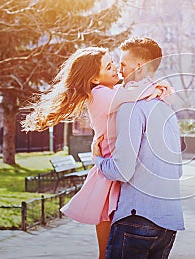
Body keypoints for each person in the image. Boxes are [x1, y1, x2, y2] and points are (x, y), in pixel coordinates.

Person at [21, 46, 171, 259]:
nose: (116, 70)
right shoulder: (101, 95)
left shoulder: (110, 92)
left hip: (116, 170)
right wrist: (157, 89)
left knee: (113, 249)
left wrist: (158, 88)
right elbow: (137, 93)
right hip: (108, 176)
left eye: (114, 63)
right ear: (94, 79)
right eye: (109, 67)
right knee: (107, 252)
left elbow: (137, 93)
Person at [92, 37, 184, 259]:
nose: (120, 71)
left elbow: (122, 170)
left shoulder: (130, 108)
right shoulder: (166, 108)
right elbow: (178, 170)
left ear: (139, 66)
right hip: (168, 223)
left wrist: (98, 159)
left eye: (123, 64)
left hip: (136, 220)